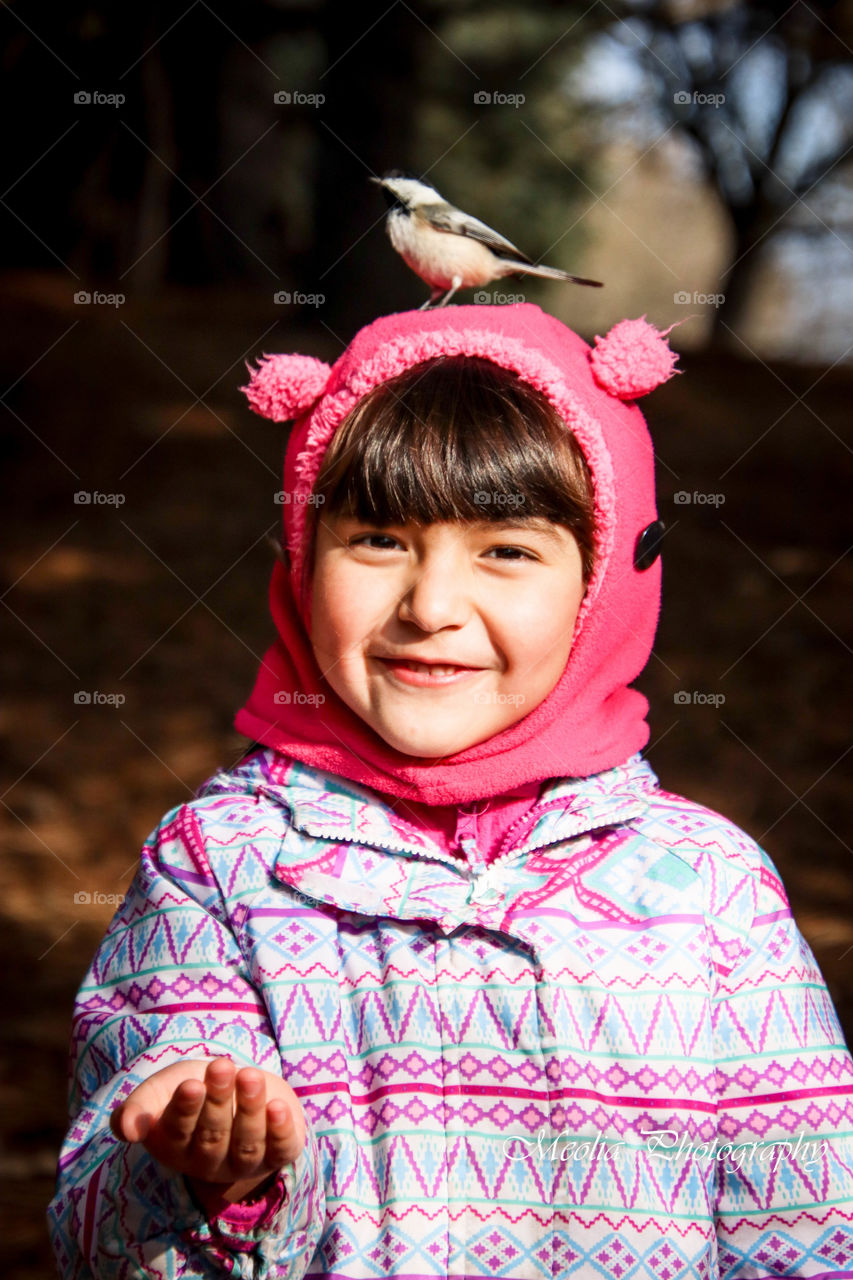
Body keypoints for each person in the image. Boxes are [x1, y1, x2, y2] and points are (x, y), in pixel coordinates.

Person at [48, 303, 853, 1280]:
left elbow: (813, 1232)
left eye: (506, 549)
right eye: (378, 539)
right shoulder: (218, 863)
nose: (430, 606)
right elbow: (100, 1238)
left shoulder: (711, 891)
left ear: (605, 583)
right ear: (302, 560)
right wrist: (201, 1176)